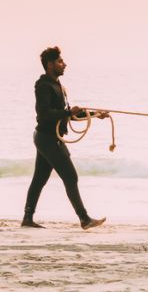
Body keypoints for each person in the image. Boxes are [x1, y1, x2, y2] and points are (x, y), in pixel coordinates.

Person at [22, 46, 107, 230]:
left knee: (39, 179)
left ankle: (27, 219)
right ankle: (84, 219)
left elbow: (71, 115)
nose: (64, 64)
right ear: (50, 64)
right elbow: (43, 114)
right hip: (48, 139)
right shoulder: (43, 86)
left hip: (48, 138)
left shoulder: (58, 85)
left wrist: (95, 114)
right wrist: (68, 112)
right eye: (60, 62)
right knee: (71, 177)